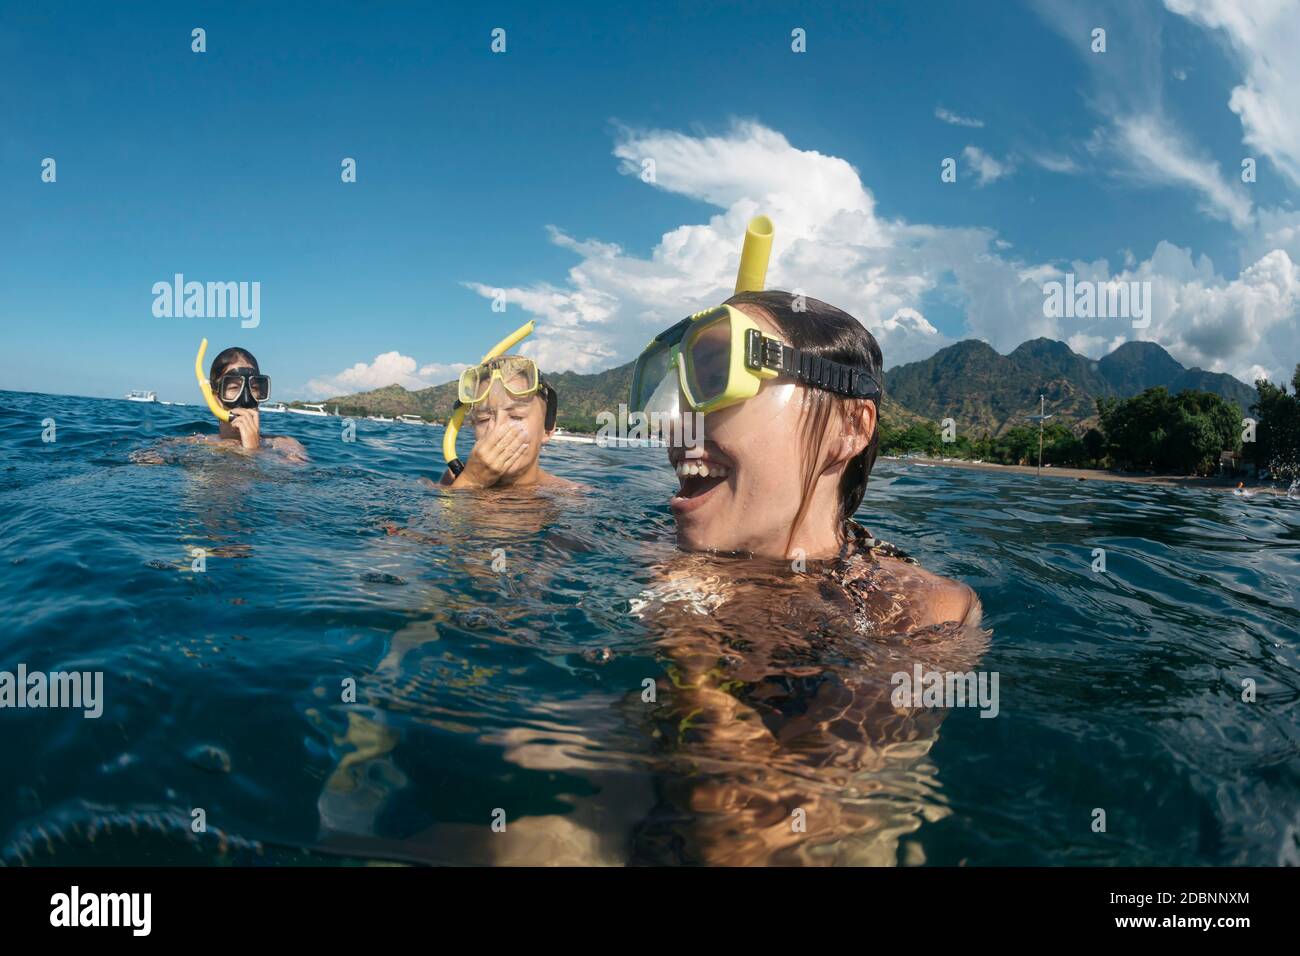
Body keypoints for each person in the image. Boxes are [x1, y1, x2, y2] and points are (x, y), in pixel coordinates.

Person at [438, 354, 575, 490]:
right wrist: (471, 480)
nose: (497, 429)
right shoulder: (456, 477)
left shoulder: (568, 495)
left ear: (547, 430)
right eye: (484, 419)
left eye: (516, 416)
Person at [204, 346, 306, 460]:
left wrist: (254, 450)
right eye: (234, 387)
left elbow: (299, 477)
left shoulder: (287, 446)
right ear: (214, 397)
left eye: (254, 387)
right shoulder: (198, 444)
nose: (246, 400)